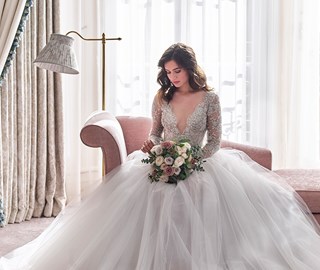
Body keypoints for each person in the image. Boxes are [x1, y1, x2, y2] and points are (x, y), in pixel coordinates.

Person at [1, 43, 320, 270]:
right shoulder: (161, 97)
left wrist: (192, 159)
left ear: (190, 68)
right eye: (168, 72)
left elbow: (215, 142)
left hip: (201, 163)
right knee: (146, 203)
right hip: (161, 161)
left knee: (202, 203)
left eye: (177, 70)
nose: (172, 77)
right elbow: (155, 132)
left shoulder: (210, 98)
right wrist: (152, 146)